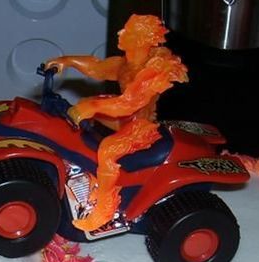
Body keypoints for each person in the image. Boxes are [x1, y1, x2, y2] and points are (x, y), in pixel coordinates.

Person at [46, 14, 188, 231]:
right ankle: (81, 171)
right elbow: (98, 68)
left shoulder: (153, 70)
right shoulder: (125, 64)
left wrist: (91, 108)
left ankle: (105, 209)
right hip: (122, 119)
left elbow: (128, 103)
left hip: (140, 126)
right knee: (77, 113)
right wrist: (68, 61)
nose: (121, 33)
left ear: (143, 40)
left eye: (129, 32)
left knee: (108, 150)